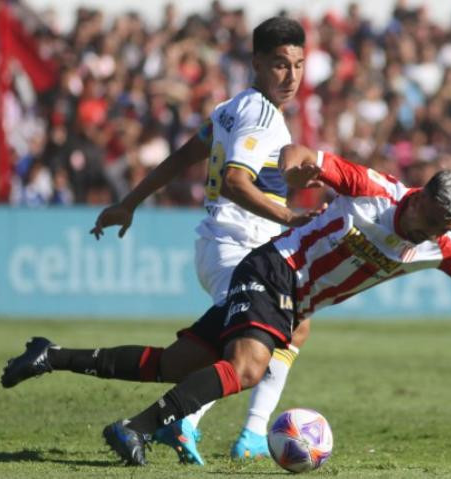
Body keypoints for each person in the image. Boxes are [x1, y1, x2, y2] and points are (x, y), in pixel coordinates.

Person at [1, 144, 451, 466]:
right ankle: (136, 428)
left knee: (174, 363)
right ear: (421, 197)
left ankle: (50, 354)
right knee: (248, 369)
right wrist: (292, 171)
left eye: (445, 226)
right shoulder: (374, 190)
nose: (432, 233)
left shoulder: (442, 246)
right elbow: (306, 156)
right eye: (433, 218)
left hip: (289, 300)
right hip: (273, 268)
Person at [88, 16, 320, 464]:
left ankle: (249, 434)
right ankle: (188, 422)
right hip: (239, 245)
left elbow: (184, 155)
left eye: (298, 65)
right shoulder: (262, 116)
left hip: (227, 244)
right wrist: (291, 216)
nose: (291, 76)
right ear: (256, 62)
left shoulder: (231, 108)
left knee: (296, 325)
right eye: (279, 65)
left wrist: (130, 203)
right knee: (245, 351)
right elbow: (235, 182)